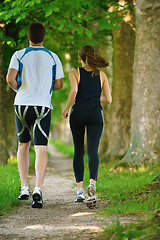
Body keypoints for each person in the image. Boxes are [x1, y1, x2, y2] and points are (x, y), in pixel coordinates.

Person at [6, 22, 64, 208]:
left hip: (21, 104)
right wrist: (44, 89)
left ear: (28, 36)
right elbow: (59, 84)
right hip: (42, 106)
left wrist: (20, 90)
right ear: (44, 37)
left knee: (23, 144)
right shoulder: (53, 57)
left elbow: (10, 78)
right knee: (41, 148)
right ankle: (38, 188)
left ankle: (24, 187)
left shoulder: (19, 55)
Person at [62, 45, 112, 204]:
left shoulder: (74, 73)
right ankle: (92, 185)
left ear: (80, 58)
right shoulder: (102, 75)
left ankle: (80, 191)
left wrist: (66, 107)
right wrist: (95, 99)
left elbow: (74, 91)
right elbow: (108, 99)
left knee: (78, 150)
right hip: (95, 114)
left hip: (78, 113)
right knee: (92, 150)